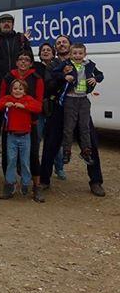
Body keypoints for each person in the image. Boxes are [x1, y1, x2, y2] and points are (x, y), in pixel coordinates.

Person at [40, 36, 104, 196]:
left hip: (79, 107)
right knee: (50, 144)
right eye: (59, 43)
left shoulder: (83, 63)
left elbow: (96, 76)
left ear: (70, 46)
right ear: (56, 47)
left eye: (65, 42)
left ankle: (96, 181)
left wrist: (93, 81)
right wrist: (63, 76)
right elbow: (48, 86)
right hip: (59, 108)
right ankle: (44, 180)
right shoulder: (53, 65)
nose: (62, 44)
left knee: (89, 142)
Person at [0, 13, 32, 179]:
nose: (6, 24)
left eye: (9, 22)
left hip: (17, 92)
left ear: (13, 24)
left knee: (12, 131)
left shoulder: (21, 40)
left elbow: (29, 60)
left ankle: (12, 165)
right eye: (3, 22)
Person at [0, 50, 45, 202]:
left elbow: (39, 102)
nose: (23, 62)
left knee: (32, 156)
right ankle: (9, 185)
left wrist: (26, 108)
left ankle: (36, 186)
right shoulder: (8, 77)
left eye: (26, 60)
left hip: (30, 123)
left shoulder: (37, 78)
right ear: (16, 62)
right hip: (10, 124)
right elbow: (1, 99)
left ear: (31, 63)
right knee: (8, 156)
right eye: (20, 59)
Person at [53, 43, 103, 166]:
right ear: (70, 54)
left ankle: (86, 151)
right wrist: (65, 76)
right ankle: (66, 152)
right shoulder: (67, 64)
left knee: (84, 127)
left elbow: (100, 75)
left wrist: (95, 79)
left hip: (84, 99)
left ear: (85, 54)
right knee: (69, 127)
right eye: (74, 53)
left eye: (80, 53)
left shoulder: (90, 64)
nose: (77, 55)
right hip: (70, 99)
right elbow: (55, 73)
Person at [0, 79, 42, 201]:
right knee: (11, 160)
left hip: (25, 136)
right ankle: (10, 184)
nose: (17, 91)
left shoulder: (28, 99)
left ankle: (25, 183)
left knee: (25, 161)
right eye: (15, 88)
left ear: (25, 91)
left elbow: (38, 108)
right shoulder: (8, 98)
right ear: (11, 90)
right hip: (11, 136)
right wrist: (5, 104)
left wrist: (24, 106)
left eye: (20, 89)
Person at [34, 43, 66, 180]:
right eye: (43, 50)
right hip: (40, 108)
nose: (45, 52)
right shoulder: (35, 67)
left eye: (48, 50)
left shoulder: (59, 66)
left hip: (54, 107)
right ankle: (36, 168)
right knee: (37, 139)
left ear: (53, 53)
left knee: (54, 141)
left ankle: (59, 168)